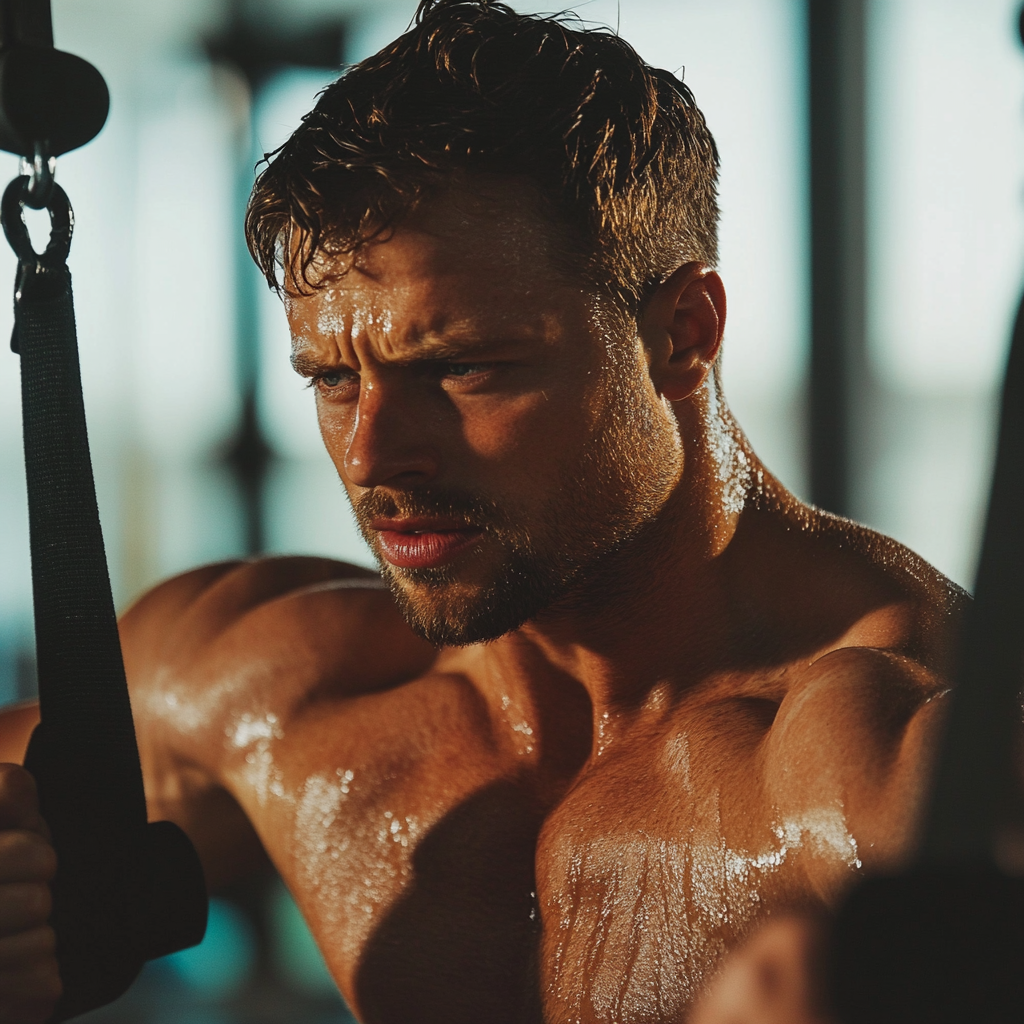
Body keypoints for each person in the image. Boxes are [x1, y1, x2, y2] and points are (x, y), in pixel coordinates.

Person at [0, 2, 964, 1022]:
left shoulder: (884, 754)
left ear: (683, 332)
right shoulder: (274, 687)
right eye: (331, 379)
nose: (373, 454)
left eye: (459, 368)